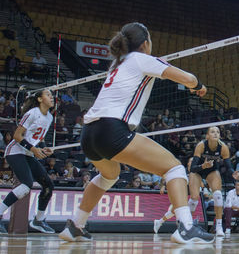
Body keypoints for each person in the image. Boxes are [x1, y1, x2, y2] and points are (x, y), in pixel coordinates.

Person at [58, 22, 213, 244]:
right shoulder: (142, 59)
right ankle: (186, 228)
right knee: (175, 168)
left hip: (89, 132)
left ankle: (76, 226)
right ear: (145, 43)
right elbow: (187, 78)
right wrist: (198, 85)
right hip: (112, 130)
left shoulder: (116, 63)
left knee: (109, 175)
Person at [0, 90, 56, 234]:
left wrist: (43, 149)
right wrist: (33, 149)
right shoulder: (32, 113)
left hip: (28, 153)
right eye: (48, 95)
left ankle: (38, 220)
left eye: (52, 95)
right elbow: (17, 136)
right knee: (26, 185)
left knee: (48, 185)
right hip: (15, 151)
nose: (52, 97)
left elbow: (39, 139)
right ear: (39, 99)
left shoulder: (49, 117)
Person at [188, 126, 236, 237]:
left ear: (220, 135)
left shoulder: (223, 147)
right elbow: (192, 168)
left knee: (218, 194)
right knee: (195, 197)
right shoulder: (201, 145)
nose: (215, 133)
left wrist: (233, 172)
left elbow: (228, 167)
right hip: (198, 170)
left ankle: (219, 226)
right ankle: (188, 224)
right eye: (212, 132)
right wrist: (203, 165)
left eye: (218, 132)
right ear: (207, 135)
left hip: (212, 171)